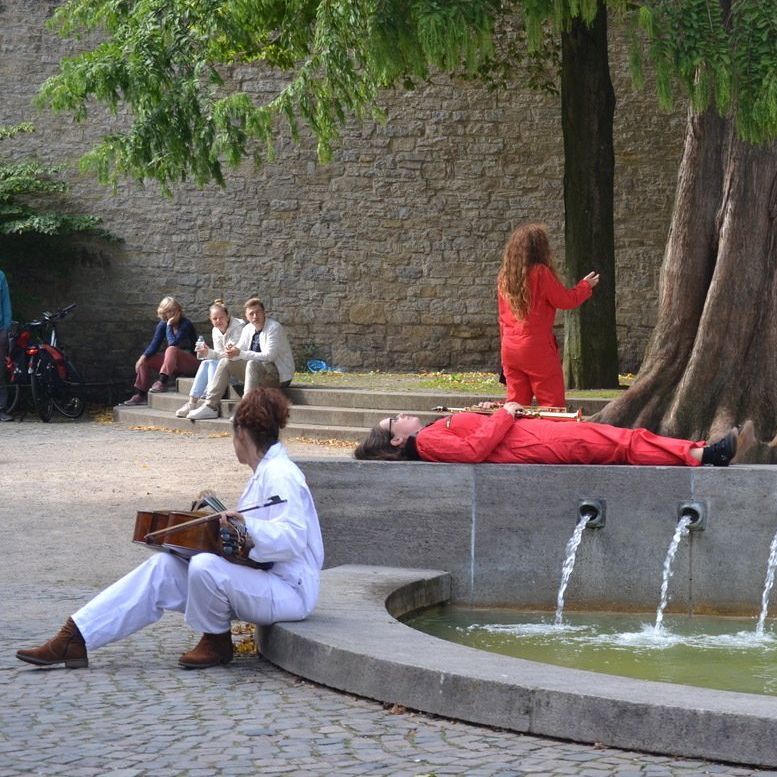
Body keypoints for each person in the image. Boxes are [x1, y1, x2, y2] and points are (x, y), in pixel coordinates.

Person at [16, 387, 324, 670]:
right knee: (163, 566)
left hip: (289, 590)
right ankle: (75, 636)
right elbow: (254, 543)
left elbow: (293, 539)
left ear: (241, 433)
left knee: (205, 567)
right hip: (263, 579)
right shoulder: (265, 473)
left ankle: (216, 641)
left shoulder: (282, 475)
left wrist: (246, 528)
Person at [354, 404, 758, 467]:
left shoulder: (429, 434)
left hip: (535, 435)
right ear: (396, 441)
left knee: (625, 440)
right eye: (395, 422)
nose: (403, 416)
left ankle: (702, 450)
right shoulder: (425, 442)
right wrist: (504, 412)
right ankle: (705, 456)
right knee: (625, 444)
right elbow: (475, 450)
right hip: (536, 443)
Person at [498, 223, 599, 408]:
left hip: (510, 348)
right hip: (536, 347)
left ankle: (515, 436)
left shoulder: (505, 277)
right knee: (552, 404)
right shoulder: (540, 273)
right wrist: (585, 286)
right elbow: (565, 301)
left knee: (515, 405)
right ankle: (549, 437)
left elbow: (502, 318)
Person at [188, 298, 295, 420]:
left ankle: (246, 409)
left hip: (278, 375)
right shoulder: (248, 329)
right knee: (226, 362)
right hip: (256, 372)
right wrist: (212, 352)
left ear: (264, 313)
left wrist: (241, 353)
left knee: (252, 363)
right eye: (251, 314)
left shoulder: (274, 328)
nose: (255, 316)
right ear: (246, 316)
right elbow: (237, 351)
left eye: (258, 312)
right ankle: (210, 406)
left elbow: (269, 356)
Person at [175, 299, 245, 418]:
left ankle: (211, 403)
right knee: (206, 363)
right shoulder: (215, 330)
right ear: (210, 319)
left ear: (228, 316)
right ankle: (192, 403)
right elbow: (218, 354)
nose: (218, 321)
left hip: (237, 368)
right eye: (215, 319)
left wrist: (210, 353)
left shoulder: (239, 327)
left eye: (221, 317)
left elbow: (231, 354)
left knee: (212, 363)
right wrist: (207, 353)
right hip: (223, 368)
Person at [124, 296, 199, 406]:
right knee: (145, 360)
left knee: (172, 349)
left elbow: (174, 343)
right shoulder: (162, 325)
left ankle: (162, 382)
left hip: (191, 364)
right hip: (173, 365)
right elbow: (154, 344)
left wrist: (169, 325)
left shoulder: (185, 324)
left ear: (179, 310)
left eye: (174, 310)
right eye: (168, 311)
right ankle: (141, 395)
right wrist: (142, 357)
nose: (172, 313)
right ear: (164, 313)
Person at [0, 269, 12, 422]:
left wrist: (6, 329)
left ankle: (1, 408)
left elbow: (5, 302)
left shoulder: (1, 276)